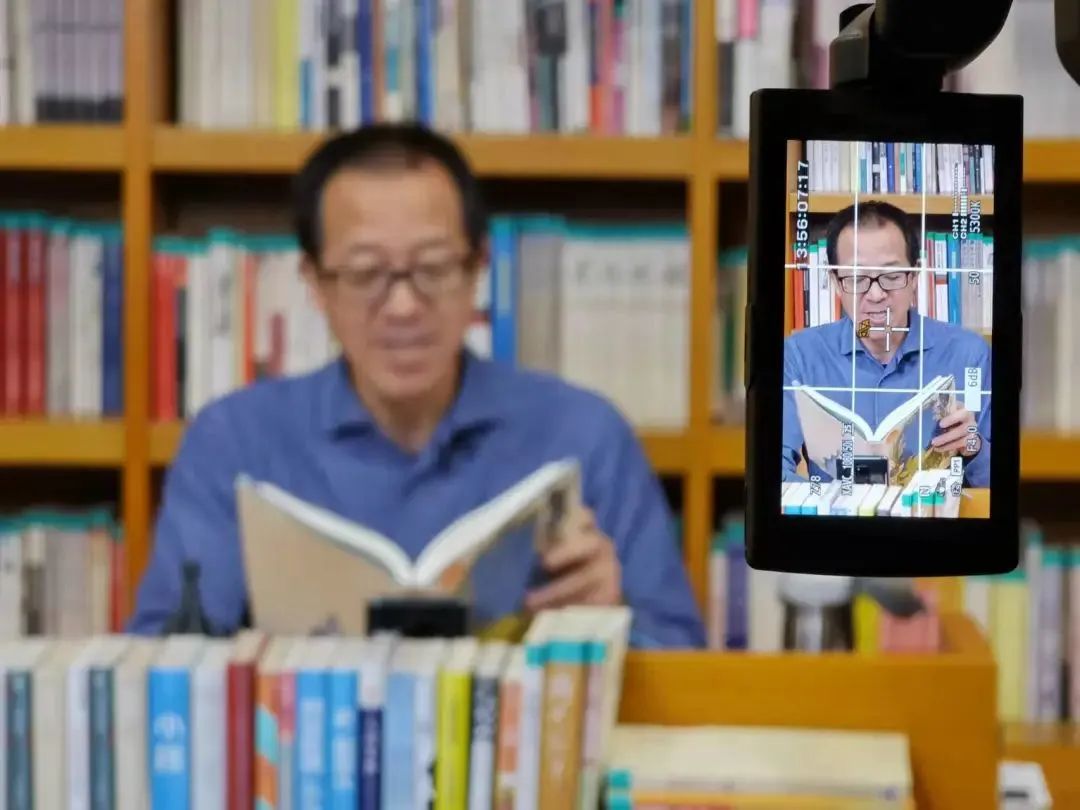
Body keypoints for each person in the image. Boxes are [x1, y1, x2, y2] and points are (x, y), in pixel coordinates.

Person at [128, 122, 705, 649]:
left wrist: (613, 617)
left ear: (477, 269)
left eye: (433, 268)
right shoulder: (234, 442)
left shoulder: (581, 434)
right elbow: (163, 667)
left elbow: (685, 666)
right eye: (365, 274)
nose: (403, 306)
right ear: (315, 284)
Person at [782, 200, 992, 487]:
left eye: (891, 277)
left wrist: (973, 446)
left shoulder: (969, 354)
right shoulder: (800, 355)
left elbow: (999, 487)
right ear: (835, 282)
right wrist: (826, 502)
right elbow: (773, 470)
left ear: (914, 277)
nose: (876, 294)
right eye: (857, 278)